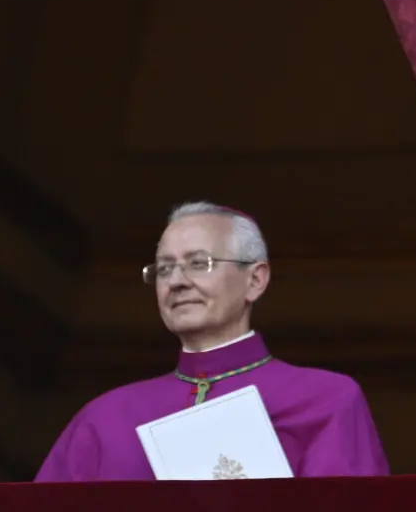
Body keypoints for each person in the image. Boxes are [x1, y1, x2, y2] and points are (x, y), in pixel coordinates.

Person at [35, 202, 388, 482]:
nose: (176, 281)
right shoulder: (104, 419)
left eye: (198, 263)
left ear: (255, 280)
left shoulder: (325, 402)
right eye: (163, 268)